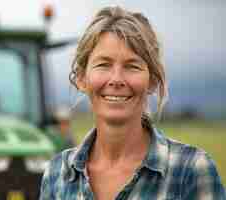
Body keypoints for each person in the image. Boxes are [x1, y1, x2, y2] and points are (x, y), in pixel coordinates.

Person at [39, 6, 226, 200]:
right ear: (81, 78)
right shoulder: (57, 173)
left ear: (152, 80)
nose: (117, 79)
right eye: (103, 64)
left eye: (132, 66)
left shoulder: (191, 172)